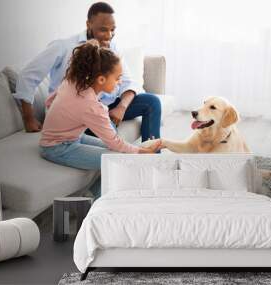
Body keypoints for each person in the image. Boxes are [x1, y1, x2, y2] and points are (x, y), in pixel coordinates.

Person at [15, 2, 161, 142]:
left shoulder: (113, 47)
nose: (109, 35)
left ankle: (151, 158)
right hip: (77, 112)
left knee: (152, 102)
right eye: (103, 29)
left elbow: (128, 82)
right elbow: (27, 75)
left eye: (113, 30)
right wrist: (28, 118)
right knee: (112, 139)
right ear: (88, 24)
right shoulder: (64, 47)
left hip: (106, 106)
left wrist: (121, 107)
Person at [39, 41, 161, 197]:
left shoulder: (73, 81)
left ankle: (91, 194)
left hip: (73, 138)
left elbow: (50, 100)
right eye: (117, 78)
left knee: (120, 152)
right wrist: (140, 151)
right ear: (101, 79)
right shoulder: (91, 106)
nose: (120, 82)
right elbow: (114, 142)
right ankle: (92, 205)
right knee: (119, 161)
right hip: (57, 148)